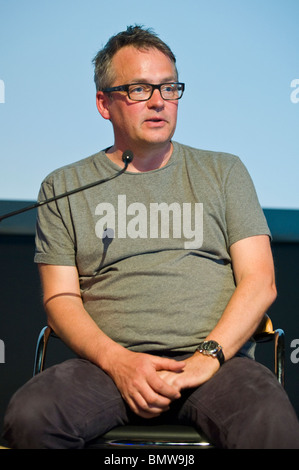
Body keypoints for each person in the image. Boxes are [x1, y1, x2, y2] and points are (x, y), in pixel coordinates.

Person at [3, 25, 299, 449]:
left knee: (272, 426)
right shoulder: (63, 185)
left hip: (217, 366)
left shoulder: (224, 172)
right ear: (105, 103)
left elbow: (260, 281)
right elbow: (60, 300)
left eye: (169, 87)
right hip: (105, 368)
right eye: (139, 89)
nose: (159, 101)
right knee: (30, 419)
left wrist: (206, 359)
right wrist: (119, 363)